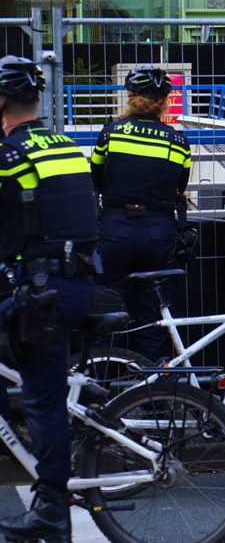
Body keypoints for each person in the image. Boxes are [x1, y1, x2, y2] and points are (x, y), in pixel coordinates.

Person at [0, 57, 98, 543]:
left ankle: (53, 510)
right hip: (75, 282)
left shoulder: (9, 153)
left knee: (43, 401)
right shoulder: (65, 144)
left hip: (43, 292)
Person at [91, 66, 192, 361]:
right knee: (154, 324)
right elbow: (179, 187)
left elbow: (95, 178)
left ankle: (103, 399)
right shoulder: (177, 141)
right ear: (164, 101)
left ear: (131, 97)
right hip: (158, 233)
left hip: (114, 232)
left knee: (108, 316)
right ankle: (153, 401)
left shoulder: (110, 134)